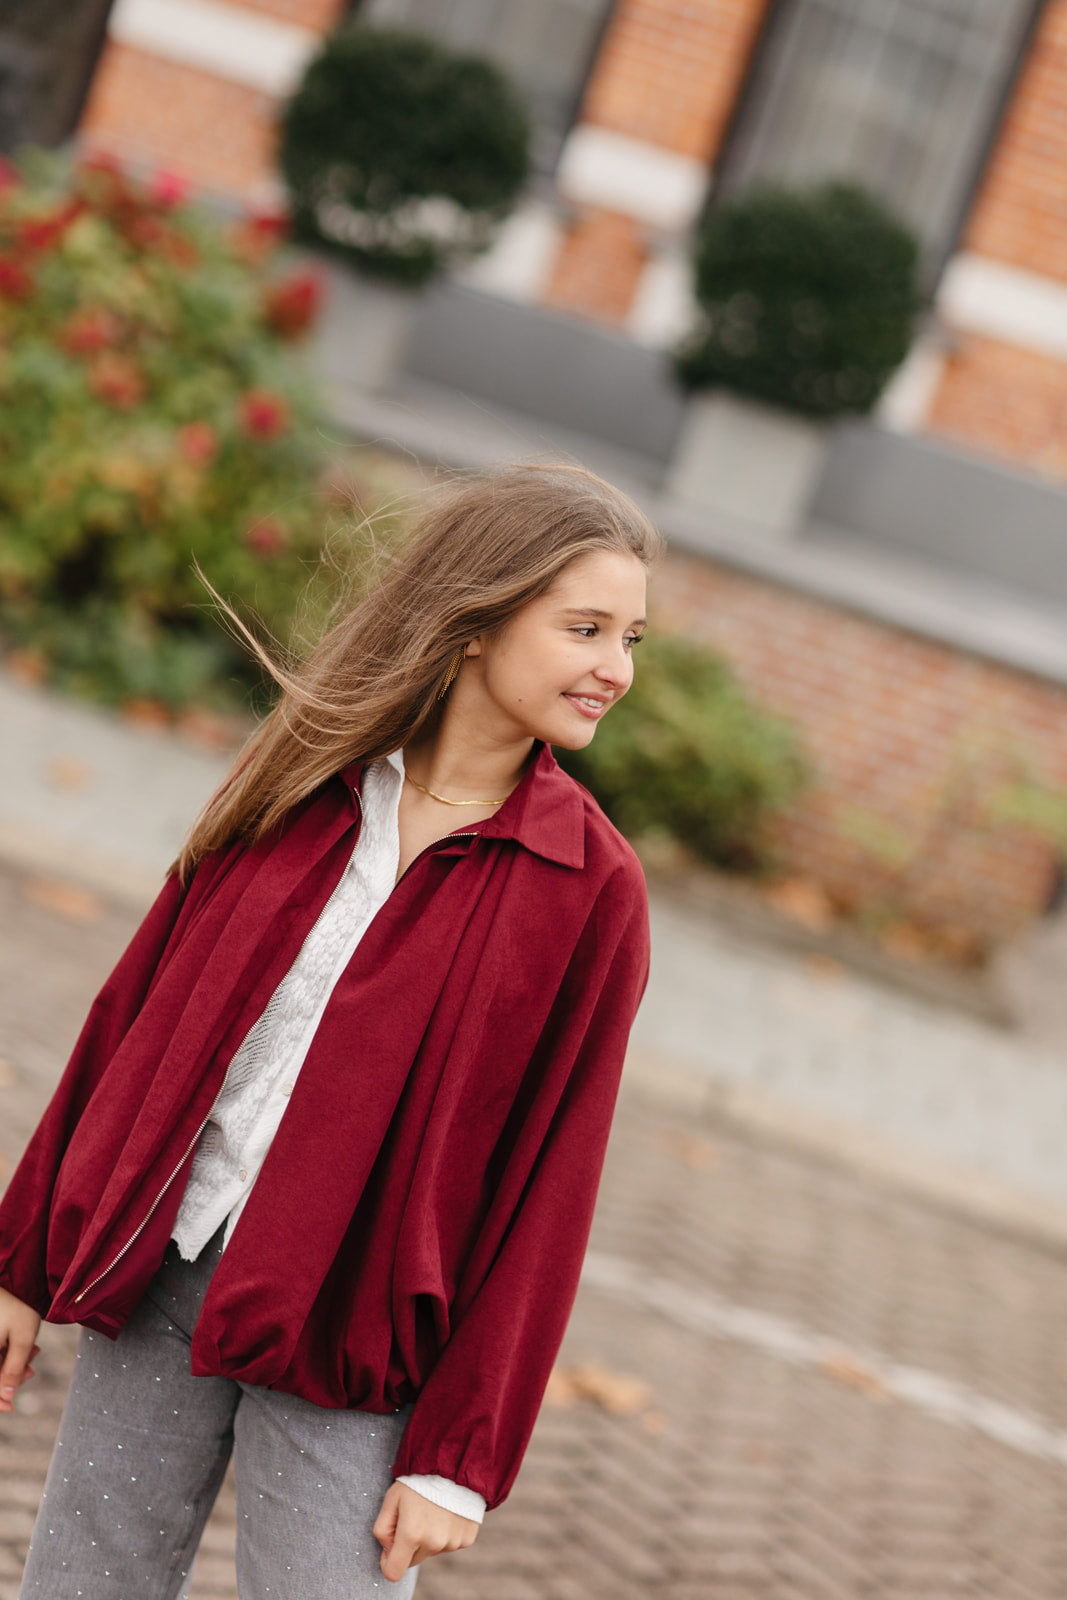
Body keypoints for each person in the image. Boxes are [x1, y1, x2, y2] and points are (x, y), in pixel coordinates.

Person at [0, 461, 662, 1599]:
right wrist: (20, 1261)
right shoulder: (302, 773)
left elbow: (551, 1180)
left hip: (353, 1341)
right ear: (472, 621)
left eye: (630, 637)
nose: (615, 668)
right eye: (586, 628)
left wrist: (458, 1459)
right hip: (166, 1265)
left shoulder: (588, 888)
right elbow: (139, 1011)